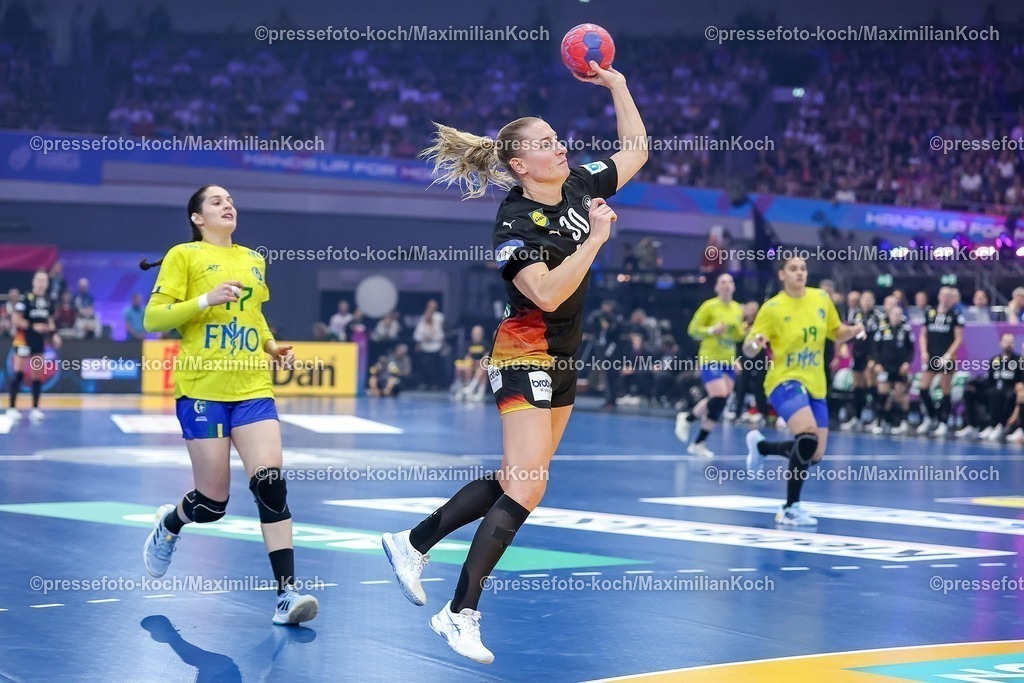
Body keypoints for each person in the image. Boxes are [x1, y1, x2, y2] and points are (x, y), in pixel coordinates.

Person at [381, 60, 647, 663]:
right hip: (524, 352)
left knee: (518, 480)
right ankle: (459, 612)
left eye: (558, 138)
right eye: (546, 143)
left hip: (565, 356)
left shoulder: (580, 184)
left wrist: (618, 86)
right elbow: (546, 293)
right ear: (521, 164)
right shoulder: (514, 223)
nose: (561, 147)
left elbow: (636, 150)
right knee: (529, 483)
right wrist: (595, 241)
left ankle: (412, 542)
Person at [138, 185, 318, 626]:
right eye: (216, 201)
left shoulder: (254, 259)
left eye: (231, 200)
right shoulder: (184, 255)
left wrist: (272, 347)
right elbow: (153, 318)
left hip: (252, 386)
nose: (228, 205)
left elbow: (255, 317)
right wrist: (206, 298)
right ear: (197, 218)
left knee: (270, 484)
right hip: (202, 388)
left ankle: (286, 595)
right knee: (211, 504)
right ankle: (171, 523)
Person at [743, 256, 865, 526]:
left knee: (814, 453)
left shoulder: (820, 298)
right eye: (793, 269)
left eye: (803, 269)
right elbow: (749, 348)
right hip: (783, 380)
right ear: (782, 275)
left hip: (815, 382)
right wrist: (755, 344)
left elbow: (836, 332)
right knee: (807, 434)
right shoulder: (772, 308)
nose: (799, 273)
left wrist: (854, 330)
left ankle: (762, 447)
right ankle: (790, 508)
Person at [675, 273, 745, 457]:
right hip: (710, 357)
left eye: (730, 282)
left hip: (728, 359)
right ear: (716, 287)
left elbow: (737, 337)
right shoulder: (709, 306)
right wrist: (712, 330)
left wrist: (742, 332)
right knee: (719, 395)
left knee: (719, 403)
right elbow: (693, 330)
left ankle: (698, 443)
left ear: (734, 287)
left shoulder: (737, 309)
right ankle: (688, 417)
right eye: (723, 282)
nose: (727, 285)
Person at [7, 270, 59, 422]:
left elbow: (49, 320)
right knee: (19, 373)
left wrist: (54, 334)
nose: (41, 284)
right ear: (34, 282)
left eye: (44, 281)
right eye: (39, 280)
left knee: (37, 375)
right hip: (23, 339)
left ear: (47, 284)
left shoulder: (48, 301)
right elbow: (16, 319)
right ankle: (12, 408)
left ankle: (35, 409)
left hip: (38, 341)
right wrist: (33, 326)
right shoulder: (26, 298)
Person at [915, 286, 964, 438]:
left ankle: (944, 422)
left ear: (952, 298)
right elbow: (923, 334)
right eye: (943, 295)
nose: (945, 298)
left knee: (945, 389)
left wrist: (948, 355)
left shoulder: (955, 315)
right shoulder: (930, 313)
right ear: (938, 296)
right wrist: (924, 351)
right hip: (931, 355)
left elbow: (959, 338)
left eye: (948, 296)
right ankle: (931, 417)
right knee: (923, 388)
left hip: (946, 357)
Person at [958, 333, 1019, 441]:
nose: (1008, 344)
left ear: (1013, 344)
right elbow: (989, 381)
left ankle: (996, 426)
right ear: (1000, 343)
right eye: (1006, 342)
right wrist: (975, 384)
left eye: (1010, 342)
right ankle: (972, 426)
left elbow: (1019, 382)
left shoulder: (1018, 361)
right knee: (969, 391)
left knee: (996, 393)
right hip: (993, 392)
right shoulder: (995, 360)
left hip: (1008, 394)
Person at [840, 290, 883, 431]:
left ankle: (877, 420)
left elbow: (878, 340)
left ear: (873, 301)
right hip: (857, 354)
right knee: (857, 387)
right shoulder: (856, 315)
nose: (867, 302)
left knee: (871, 385)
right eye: (865, 299)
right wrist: (845, 345)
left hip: (870, 355)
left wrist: (875, 358)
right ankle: (856, 418)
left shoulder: (878, 317)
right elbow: (851, 333)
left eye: (870, 299)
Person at [869, 304, 915, 435]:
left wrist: (907, 363)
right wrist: (877, 363)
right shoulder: (882, 329)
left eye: (899, 315)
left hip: (900, 367)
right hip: (885, 366)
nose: (896, 317)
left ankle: (901, 422)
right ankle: (880, 421)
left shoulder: (906, 330)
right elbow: (875, 348)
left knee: (900, 394)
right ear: (889, 315)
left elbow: (911, 349)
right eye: (894, 314)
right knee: (882, 393)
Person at [453, 324, 488, 401]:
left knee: (482, 369)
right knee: (460, 368)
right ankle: (460, 390)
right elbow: (464, 358)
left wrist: (479, 362)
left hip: (481, 366)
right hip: (470, 365)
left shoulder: (486, 345)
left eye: (479, 334)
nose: (477, 335)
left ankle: (472, 389)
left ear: (482, 334)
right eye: (475, 334)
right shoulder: (468, 345)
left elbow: (487, 358)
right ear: (472, 334)